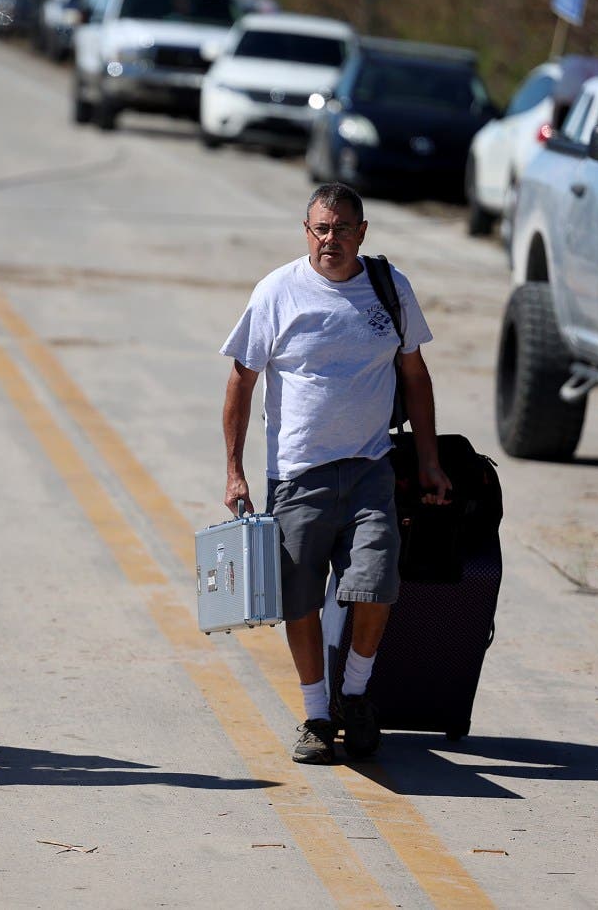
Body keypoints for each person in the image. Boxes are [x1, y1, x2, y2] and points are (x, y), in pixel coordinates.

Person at [220, 184, 450, 765]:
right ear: (306, 231)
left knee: (376, 584)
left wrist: (429, 461)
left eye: (343, 228)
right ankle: (317, 715)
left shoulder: (390, 289)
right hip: (298, 477)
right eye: (321, 228)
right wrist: (234, 471)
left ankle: (354, 696)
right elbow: (241, 382)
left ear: (362, 232)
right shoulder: (277, 291)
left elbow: (416, 377)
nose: (331, 239)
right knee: (300, 600)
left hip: (372, 469)